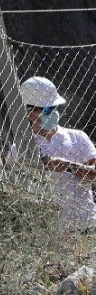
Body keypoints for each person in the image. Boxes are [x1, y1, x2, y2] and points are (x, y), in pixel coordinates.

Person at [21, 76, 96, 231]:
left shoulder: (78, 137)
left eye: (55, 107)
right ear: (29, 112)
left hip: (87, 224)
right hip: (50, 231)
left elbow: (94, 173)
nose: (54, 112)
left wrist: (70, 166)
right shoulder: (21, 147)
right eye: (48, 109)